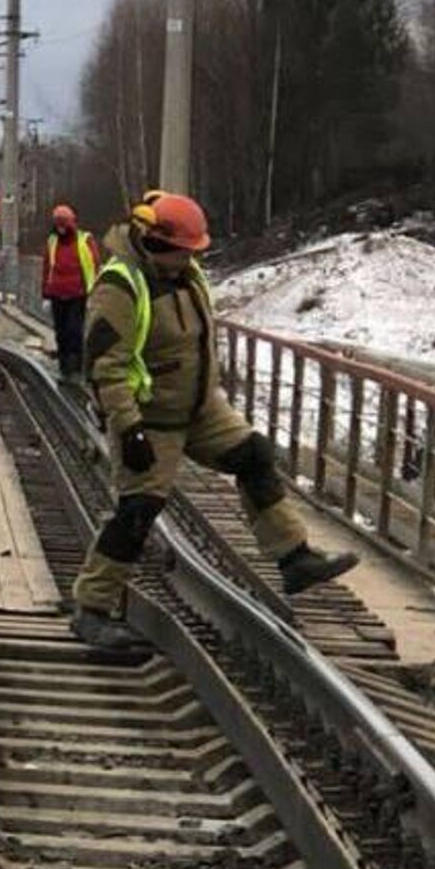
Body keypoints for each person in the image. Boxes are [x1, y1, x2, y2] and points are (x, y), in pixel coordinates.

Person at [71, 193, 359, 648]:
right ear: (153, 241)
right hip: (152, 418)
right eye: (184, 250)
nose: (191, 258)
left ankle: (293, 557)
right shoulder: (119, 286)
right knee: (138, 510)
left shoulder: (186, 275)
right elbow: (107, 366)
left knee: (254, 456)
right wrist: (128, 428)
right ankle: (92, 608)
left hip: (201, 409)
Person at [42, 204, 102, 386]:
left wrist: (94, 291)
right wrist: (45, 292)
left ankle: (75, 369)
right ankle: (64, 368)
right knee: (61, 333)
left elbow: (95, 264)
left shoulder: (85, 240)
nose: (60, 228)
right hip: (57, 294)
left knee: (74, 331)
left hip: (78, 294)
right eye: (58, 224)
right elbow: (47, 267)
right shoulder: (52, 241)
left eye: (63, 224)